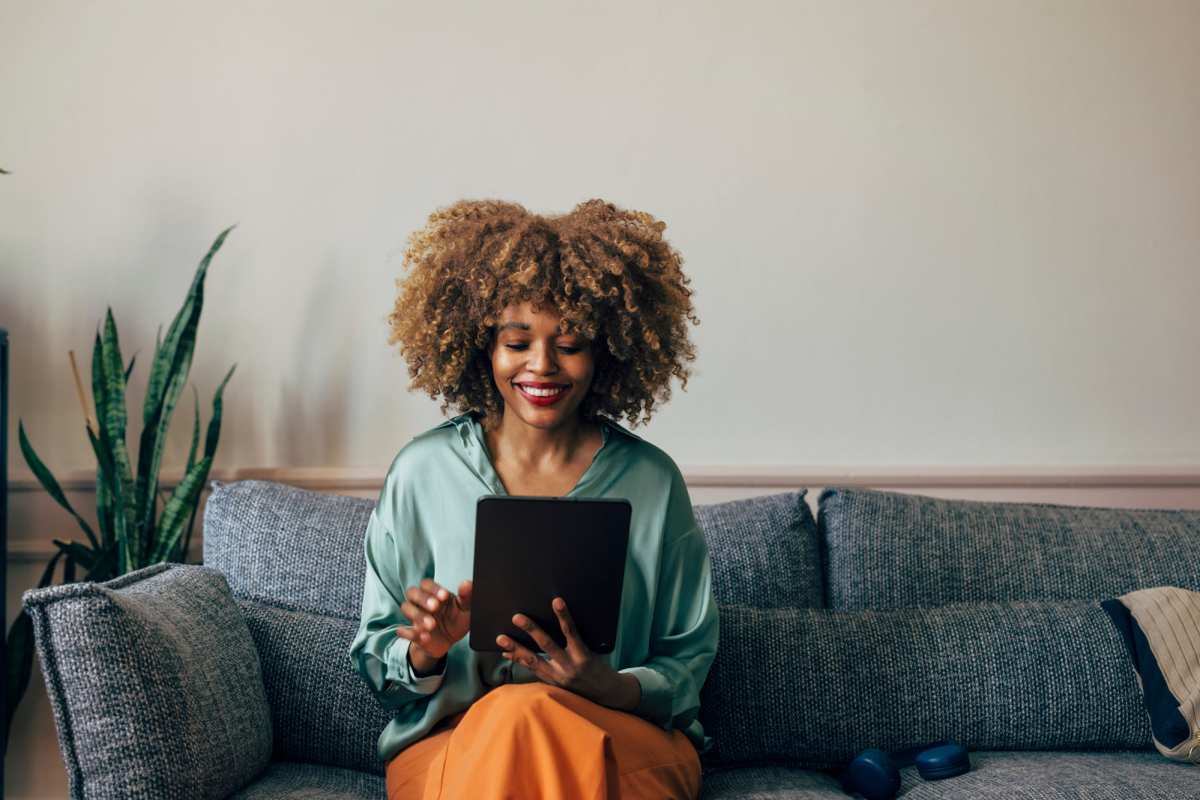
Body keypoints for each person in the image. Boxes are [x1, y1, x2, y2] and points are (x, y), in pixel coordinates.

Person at [348, 198, 719, 800]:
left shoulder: (652, 481)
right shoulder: (423, 472)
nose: (541, 365)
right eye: (517, 341)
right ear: (482, 347)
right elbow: (376, 656)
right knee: (515, 718)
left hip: (616, 734)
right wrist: (426, 650)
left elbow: (688, 660)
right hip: (456, 745)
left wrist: (606, 684)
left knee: (529, 716)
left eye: (569, 344)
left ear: (605, 354)